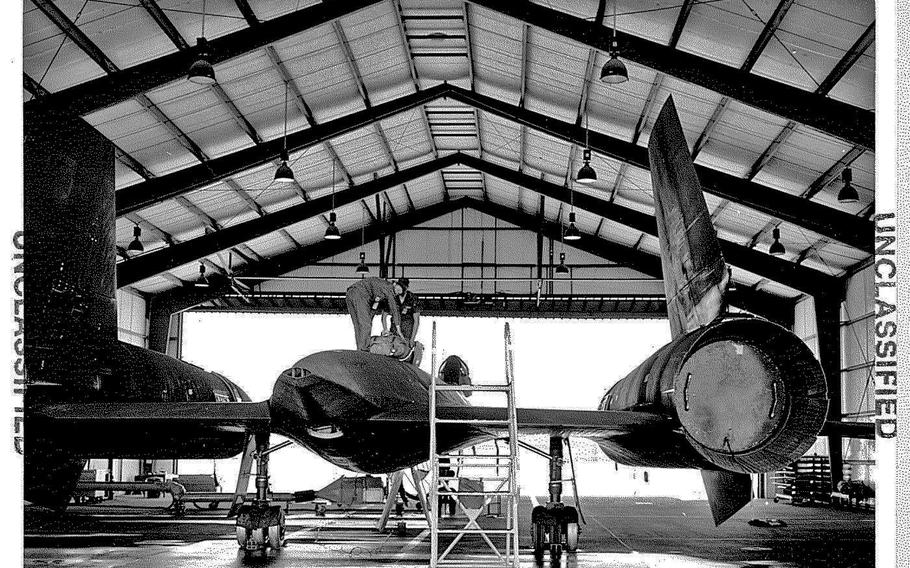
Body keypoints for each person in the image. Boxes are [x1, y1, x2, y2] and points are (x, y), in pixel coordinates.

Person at [345, 277, 402, 351]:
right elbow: (394, 308)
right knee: (365, 325)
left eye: (398, 293)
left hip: (350, 294)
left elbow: (372, 311)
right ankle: (364, 349)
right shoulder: (389, 287)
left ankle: (359, 349)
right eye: (398, 290)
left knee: (358, 325)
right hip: (360, 293)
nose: (396, 293)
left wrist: (369, 321)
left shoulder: (380, 292)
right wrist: (398, 328)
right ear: (394, 284)